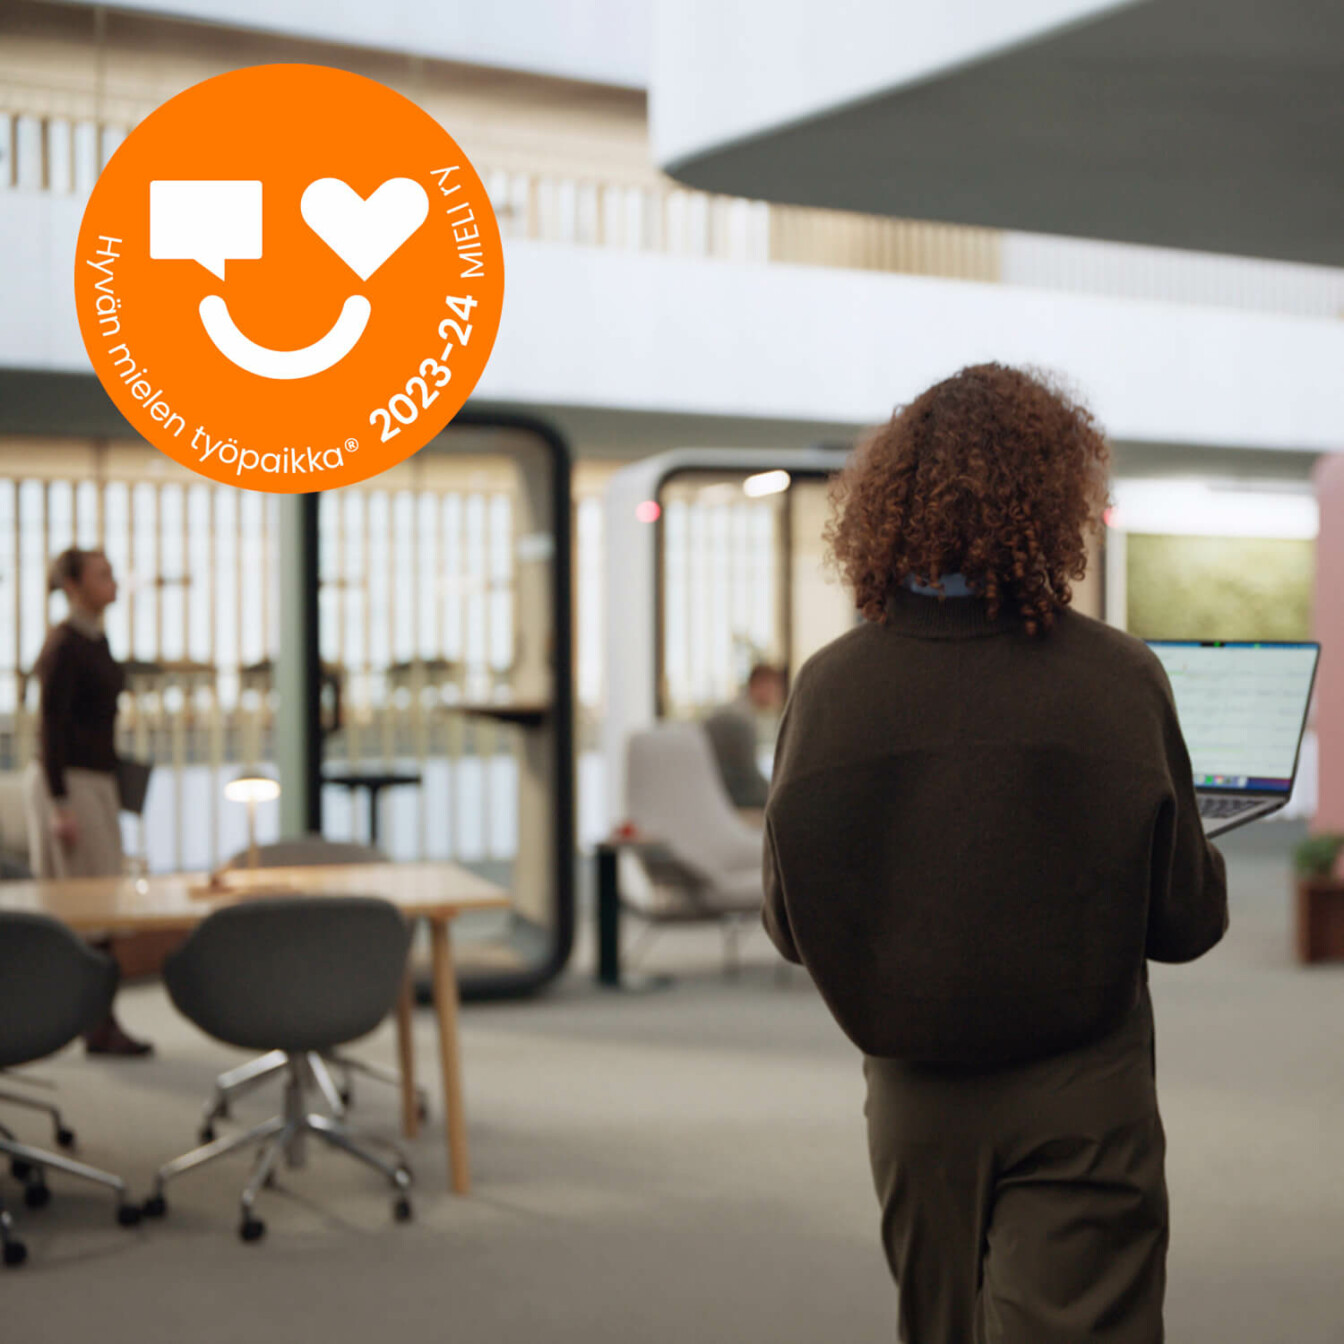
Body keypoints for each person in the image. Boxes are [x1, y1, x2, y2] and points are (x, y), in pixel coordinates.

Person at [762, 363, 1226, 1343]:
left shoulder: (829, 689)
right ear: (1057, 501)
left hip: (910, 1102)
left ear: (889, 504)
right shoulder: (1117, 681)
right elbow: (1183, 924)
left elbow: (791, 925)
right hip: (1080, 1093)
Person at [24, 546, 153, 1057]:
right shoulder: (64, 646)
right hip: (69, 784)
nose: (114, 581)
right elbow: (49, 729)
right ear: (74, 586)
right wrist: (60, 804)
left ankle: (99, 1021)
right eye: (103, 575)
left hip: (96, 779)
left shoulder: (96, 640)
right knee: (87, 911)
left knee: (104, 905)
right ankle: (92, 1022)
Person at [702, 663, 787, 809]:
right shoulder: (740, 720)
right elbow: (748, 779)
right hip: (730, 800)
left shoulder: (736, 711)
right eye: (775, 687)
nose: (779, 693)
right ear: (760, 685)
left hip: (718, 794)